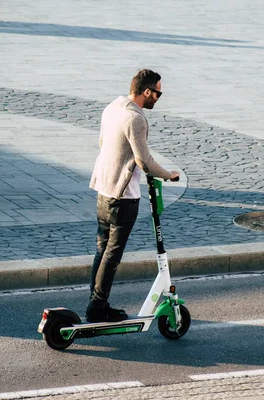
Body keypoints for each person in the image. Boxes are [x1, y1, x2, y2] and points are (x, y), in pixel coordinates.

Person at [86, 69, 179, 323]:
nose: (158, 98)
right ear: (146, 91)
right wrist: (168, 175)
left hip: (103, 189)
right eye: (157, 93)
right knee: (112, 255)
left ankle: (96, 303)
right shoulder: (136, 119)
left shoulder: (113, 107)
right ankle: (97, 308)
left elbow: (104, 143)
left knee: (102, 251)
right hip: (123, 196)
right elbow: (144, 160)